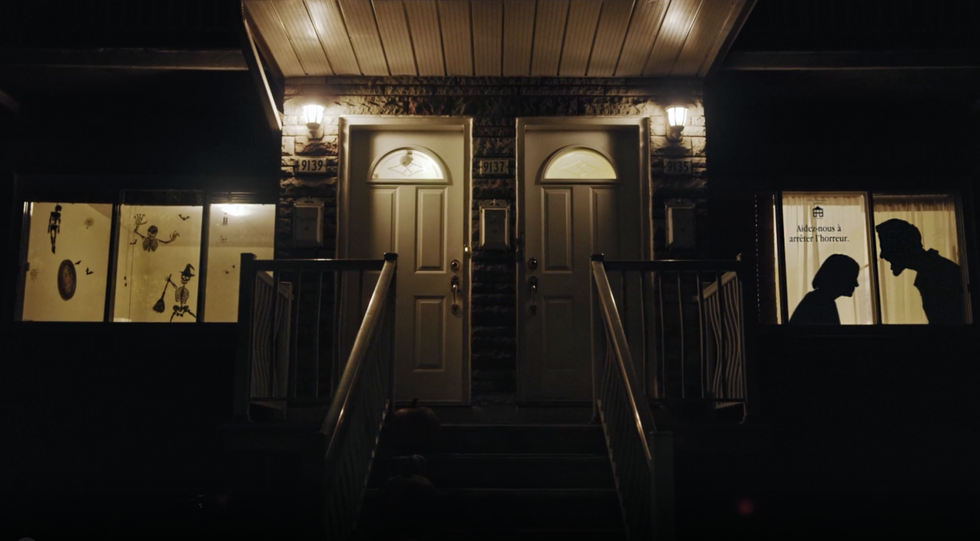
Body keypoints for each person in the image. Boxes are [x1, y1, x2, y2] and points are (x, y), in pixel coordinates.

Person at [875, 219, 965, 324]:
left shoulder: (939, 274)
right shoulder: (936, 270)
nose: (882, 255)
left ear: (902, 247)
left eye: (885, 247)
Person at [790, 254, 860, 324]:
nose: (856, 284)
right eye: (852, 278)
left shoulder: (816, 300)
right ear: (838, 277)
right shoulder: (822, 303)